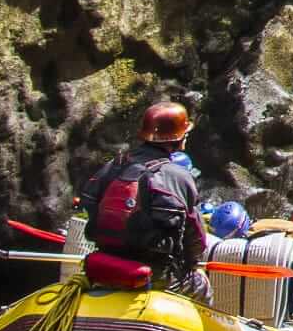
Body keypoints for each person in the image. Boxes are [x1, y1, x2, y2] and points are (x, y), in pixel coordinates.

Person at [77, 100, 209, 301]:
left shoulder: (114, 165)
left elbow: (88, 204)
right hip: (154, 274)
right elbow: (196, 239)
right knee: (201, 285)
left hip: (103, 263)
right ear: (179, 138)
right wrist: (191, 264)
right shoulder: (178, 177)